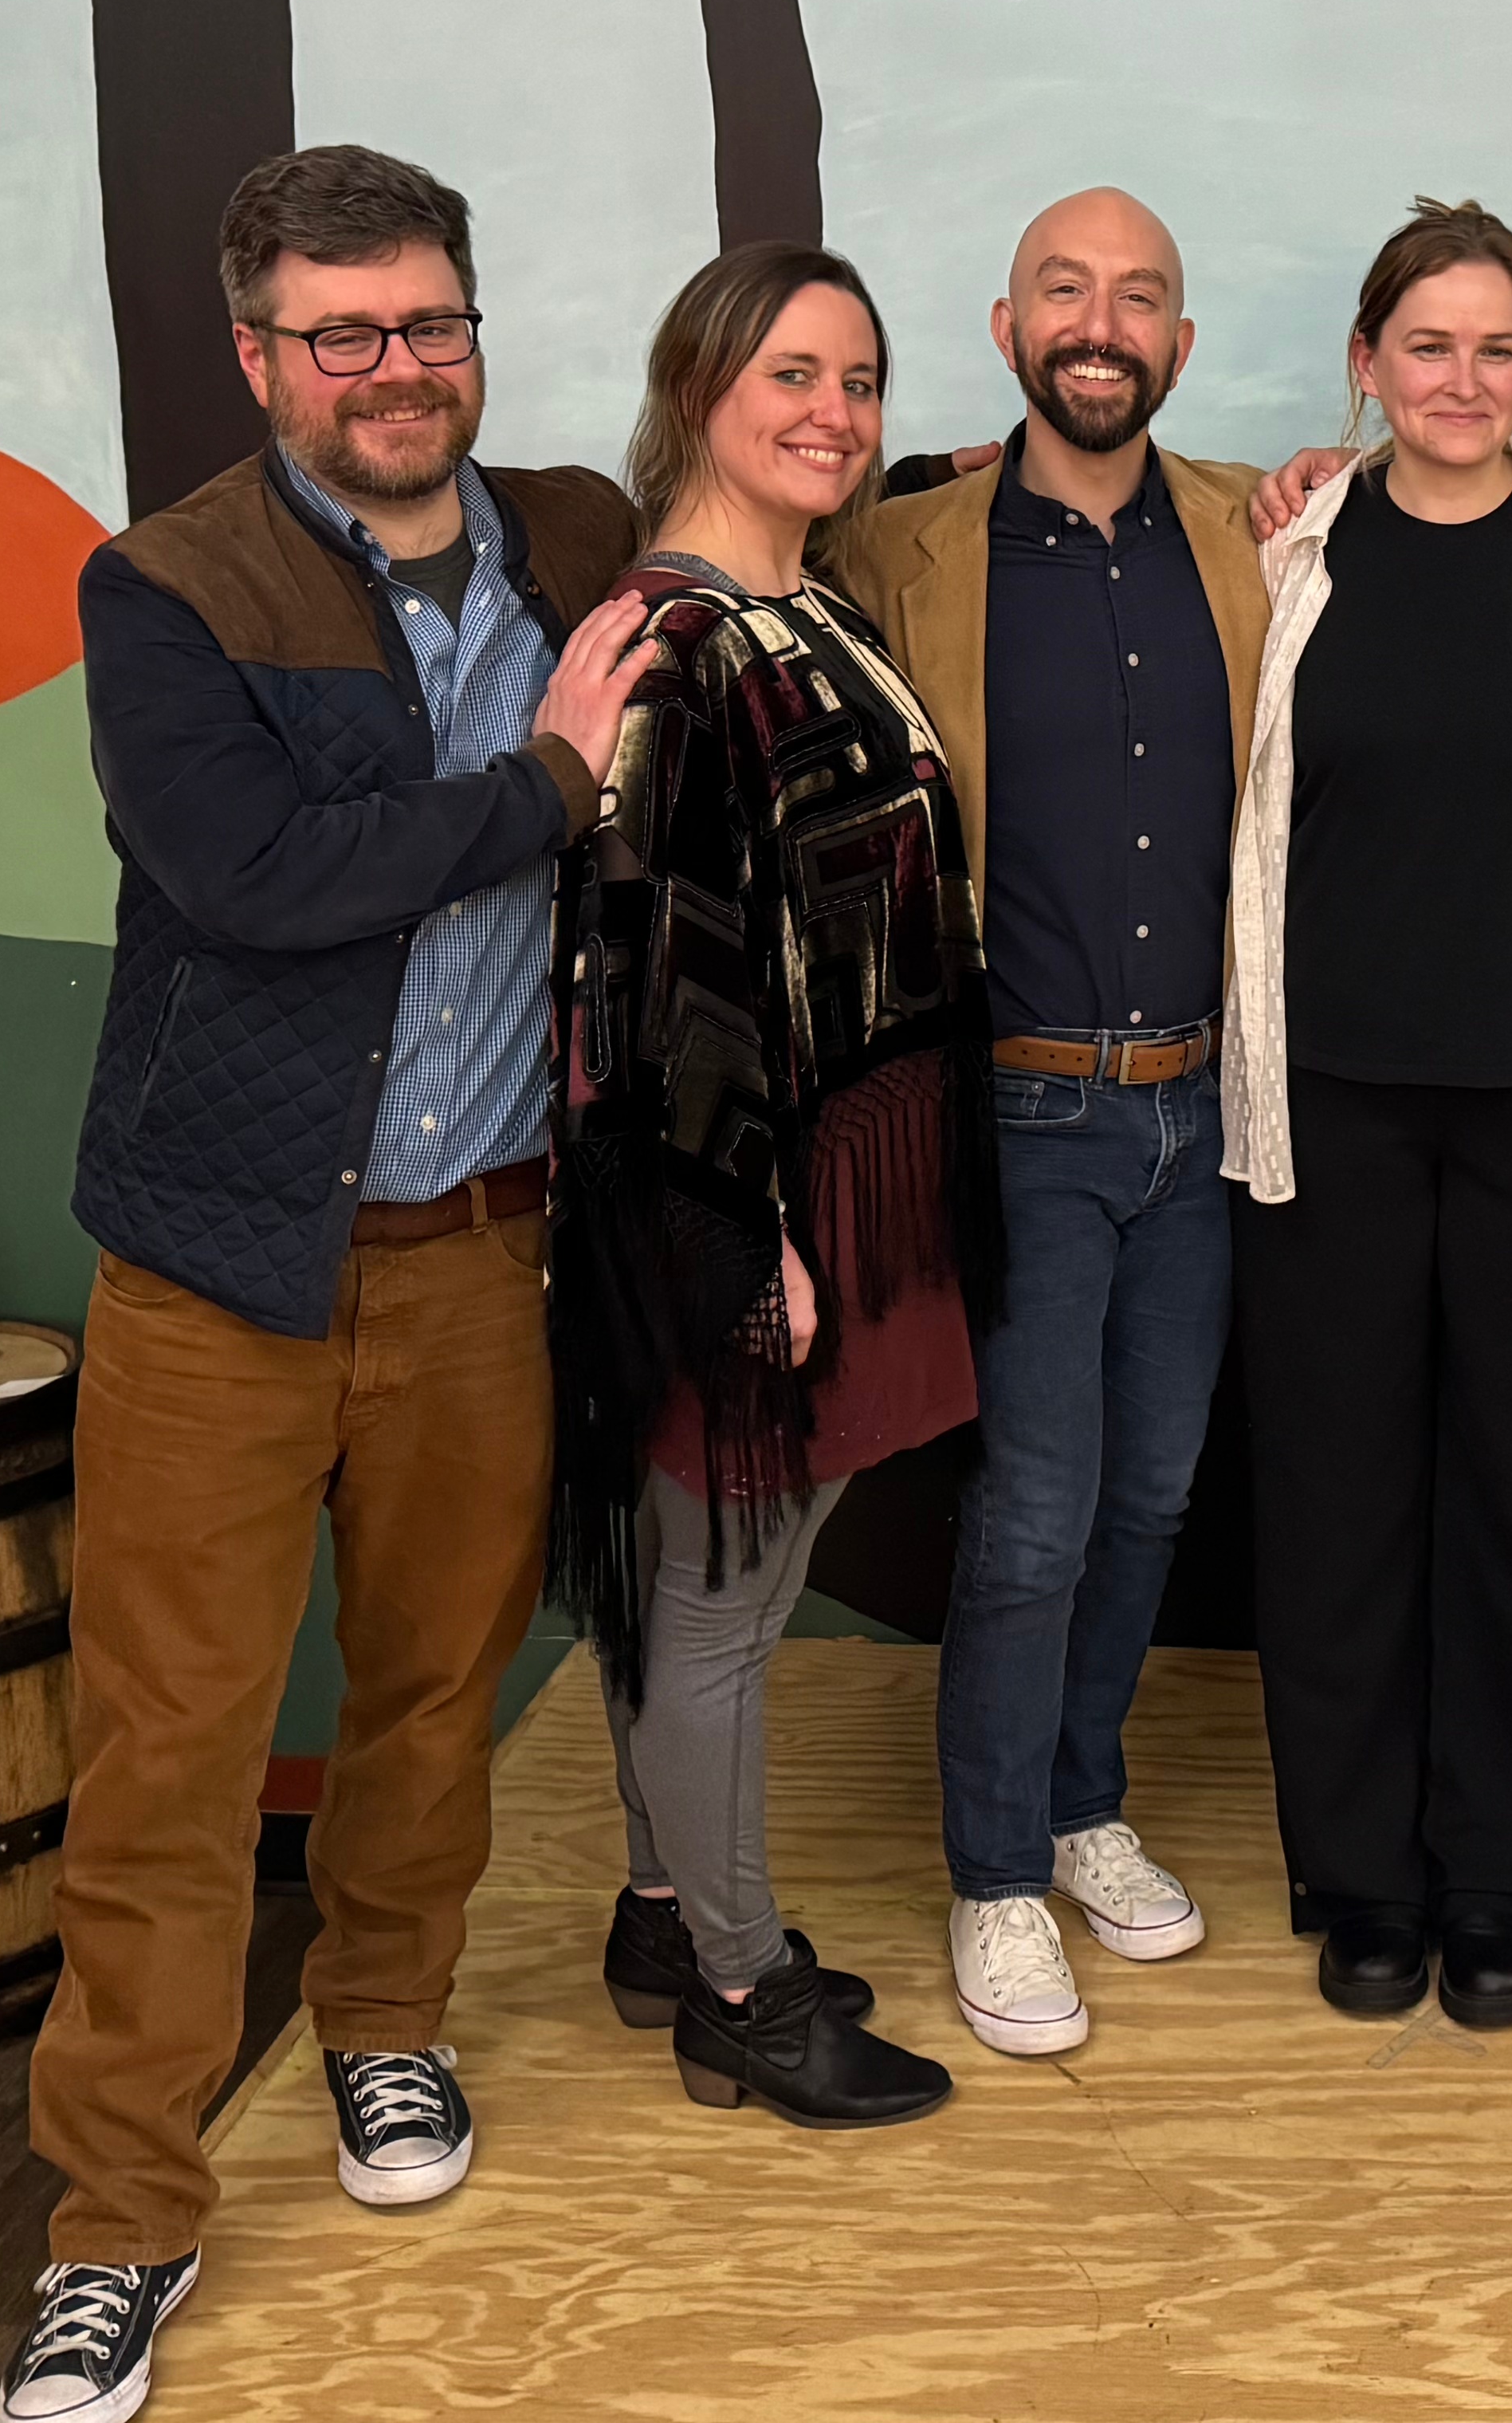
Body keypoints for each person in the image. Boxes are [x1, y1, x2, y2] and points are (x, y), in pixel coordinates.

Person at [6, 146, 650, 2423]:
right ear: (262, 354)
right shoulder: (166, 585)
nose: (401, 368)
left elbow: (783, 493)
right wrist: (552, 783)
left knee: (429, 1692)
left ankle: (383, 2026)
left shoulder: (571, 537)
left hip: (481, 1251)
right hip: (216, 1263)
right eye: (349, 332)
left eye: (434, 322)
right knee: (168, 1748)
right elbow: (258, 874)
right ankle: (118, 2216)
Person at [548, 242, 996, 2130]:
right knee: (722, 1600)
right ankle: (740, 1987)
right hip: (744, 1185)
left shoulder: (809, 599)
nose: (835, 412)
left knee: (723, 1580)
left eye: (860, 379)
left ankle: (667, 1911)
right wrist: (752, 1240)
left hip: (845, 1156)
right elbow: (654, 979)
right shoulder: (674, 642)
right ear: (699, 388)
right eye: (792, 376)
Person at [822, 190, 1269, 2059]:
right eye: (1068, 291)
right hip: (1021, 1110)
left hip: (1206, 1111)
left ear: (1183, 339)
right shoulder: (895, 544)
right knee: (1032, 1514)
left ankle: (1084, 1803)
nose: (1104, 323)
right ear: (1006, 324)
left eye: (1141, 295)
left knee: (1158, 1490)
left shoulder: (1262, 527)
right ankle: (996, 1874)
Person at [1220, 203, 1512, 2030]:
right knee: (1335, 1497)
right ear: (1364, 364)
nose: (1461, 380)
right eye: (1427, 347)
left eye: (1496, 349)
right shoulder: (1289, 542)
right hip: (1327, 1103)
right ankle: (1361, 1874)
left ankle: (1493, 1875)